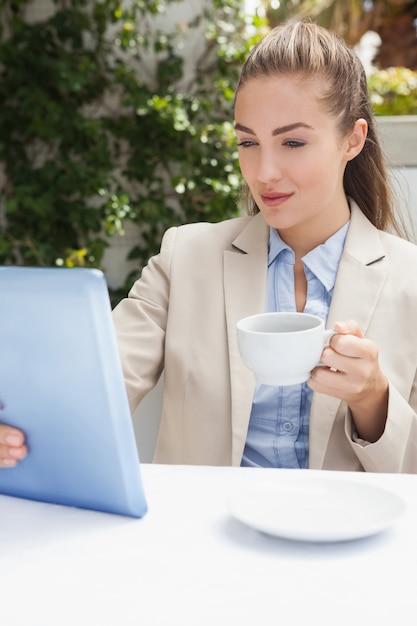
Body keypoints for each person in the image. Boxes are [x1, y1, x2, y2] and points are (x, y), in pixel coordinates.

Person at [1, 20, 417, 472]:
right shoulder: (185, 258)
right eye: (248, 142)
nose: (264, 172)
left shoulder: (409, 280)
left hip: (351, 538)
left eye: (292, 142)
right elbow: (100, 380)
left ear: (352, 140)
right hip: (199, 535)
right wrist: (23, 422)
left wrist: (373, 397)